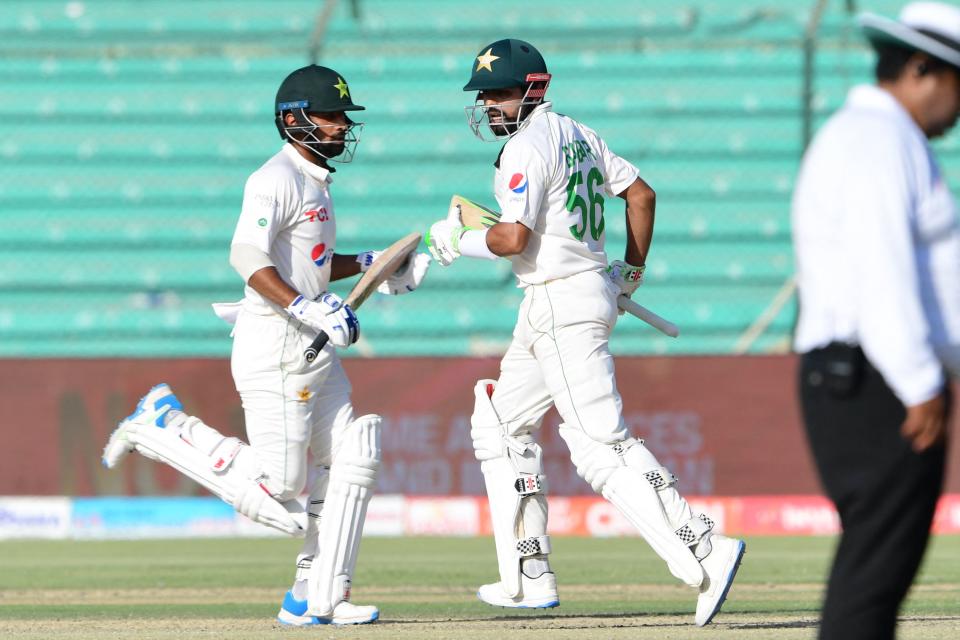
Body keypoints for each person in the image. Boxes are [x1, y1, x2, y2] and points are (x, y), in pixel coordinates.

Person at [425, 38, 745, 626]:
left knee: (599, 442)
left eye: (497, 93)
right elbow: (641, 195)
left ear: (532, 89)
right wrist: (631, 271)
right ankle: (529, 574)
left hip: (560, 301)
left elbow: (512, 239)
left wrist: (454, 242)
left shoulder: (523, 149)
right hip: (572, 292)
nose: (489, 106)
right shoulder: (580, 134)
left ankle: (702, 544)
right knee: (498, 423)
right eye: (485, 96)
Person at [101, 64, 430, 626]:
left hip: (314, 345)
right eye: (329, 117)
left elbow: (314, 264)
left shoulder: (314, 181)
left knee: (354, 452)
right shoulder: (273, 178)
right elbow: (247, 256)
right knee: (281, 493)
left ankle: (315, 597)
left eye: (343, 118)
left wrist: (371, 265)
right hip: (277, 345)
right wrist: (304, 305)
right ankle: (164, 425)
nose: (340, 128)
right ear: (293, 119)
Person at [792, 3, 960, 638]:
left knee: (879, 574)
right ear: (921, 68)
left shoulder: (885, 137)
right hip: (873, 381)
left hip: (872, 374)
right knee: (872, 580)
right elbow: (882, 267)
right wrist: (919, 381)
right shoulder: (879, 139)